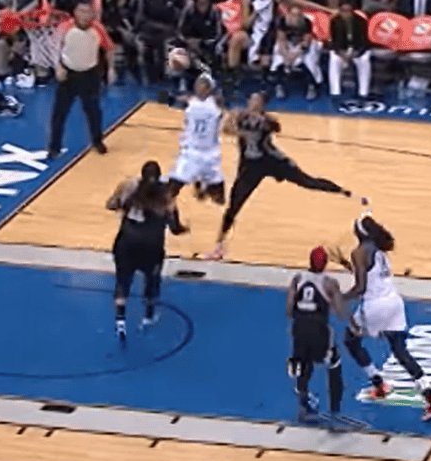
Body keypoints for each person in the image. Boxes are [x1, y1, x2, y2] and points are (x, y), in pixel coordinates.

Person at [208, 93, 352, 260]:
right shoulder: (240, 115)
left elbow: (275, 127)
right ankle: (219, 245)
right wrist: (234, 120)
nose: (253, 102)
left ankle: (339, 189)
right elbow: (227, 130)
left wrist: (253, 120)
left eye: (257, 101)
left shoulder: (267, 120)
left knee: (307, 181)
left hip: (273, 161)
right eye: (252, 99)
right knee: (234, 206)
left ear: (262, 104)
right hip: (250, 168)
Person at [334, 214, 431, 421]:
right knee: (400, 351)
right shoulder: (380, 249)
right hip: (394, 303)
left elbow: (362, 287)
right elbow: (370, 275)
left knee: (351, 341)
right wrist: (348, 265)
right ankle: (428, 394)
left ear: (358, 233)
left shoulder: (358, 252)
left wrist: (342, 297)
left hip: (375, 306)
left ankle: (379, 383)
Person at [106, 160, 189, 342]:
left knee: (123, 280)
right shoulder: (166, 195)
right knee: (151, 280)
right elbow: (175, 227)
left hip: (126, 242)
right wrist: (184, 228)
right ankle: (148, 316)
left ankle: (120, 319)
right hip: (151, 247)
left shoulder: (129, 186)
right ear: (159, 177)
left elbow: (111, 204)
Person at [287, 246, 350, 422]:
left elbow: (288, 310)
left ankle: (303, 404)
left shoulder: (297, 279)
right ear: (325, 264)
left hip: (299, 329)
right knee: (334, 362)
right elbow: (340, 312)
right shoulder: (330, 283)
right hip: (319, 330)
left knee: (304, 363)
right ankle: (335, 408)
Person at [48, 2, 116, 160]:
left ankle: (97, 141)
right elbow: (54, 47)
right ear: (75, 12)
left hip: (90, 74)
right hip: (69, 74)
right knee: (59, 113)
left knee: (93, 111)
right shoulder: (65, 27)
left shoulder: (98, 29)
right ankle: (54, 146)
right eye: (81, 11)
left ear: (92, 14)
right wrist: (57, 67)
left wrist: (111, 69)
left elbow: (110, 48)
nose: (84, 15)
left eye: (87, 11)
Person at [167, 74, 226, 205]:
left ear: (209, 88)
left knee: (220, 199)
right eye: (197, 83)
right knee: (172, 188)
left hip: (210, 153)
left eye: (202, 84)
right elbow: (176, 99)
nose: (198, 86)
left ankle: (203, 186)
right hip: (191, 152)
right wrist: (172, 98)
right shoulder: (191, 101)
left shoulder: (215, 102)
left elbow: (220, 102)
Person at [270, 3, 323, 101]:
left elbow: (306, 42)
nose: (295, 17)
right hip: (288, 44)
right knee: (278, 55)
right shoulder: (283, 21)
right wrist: (286, 55)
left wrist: (294, 55)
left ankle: (312, 86)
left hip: (302, 45)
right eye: (293, 14)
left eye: (298, 14)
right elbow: (281, 40)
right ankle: (279, 85)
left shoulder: (306, 22)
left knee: (309, 60)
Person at [328, 0, 372, 101]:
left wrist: (354, 54)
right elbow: (334, 42)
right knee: (334, 60)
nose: (346, 14)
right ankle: (335, 93)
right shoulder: (335, 21)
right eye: (343, 11)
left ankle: (363, 93)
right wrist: (342, 54)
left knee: (364, 60)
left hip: (358, 50)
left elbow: (364, 41)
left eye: (348, 11)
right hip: (342, 50)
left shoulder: (361, 21)